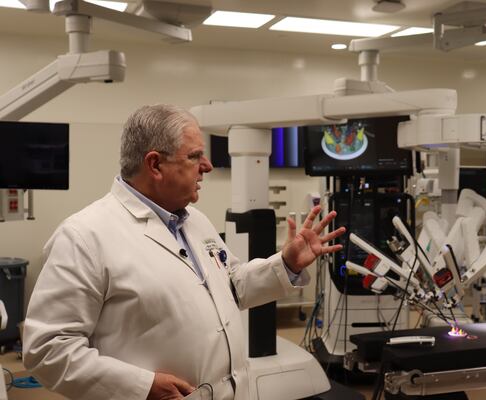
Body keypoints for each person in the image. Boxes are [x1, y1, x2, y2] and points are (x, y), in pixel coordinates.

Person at [23, 104, 346, 400]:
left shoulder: (194, 222)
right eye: (194, 156)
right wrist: (141, 386)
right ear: (155, 164)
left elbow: (231, 287)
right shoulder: (84, 236)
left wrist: (285, 263)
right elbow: (47, 349)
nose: (207, 165)